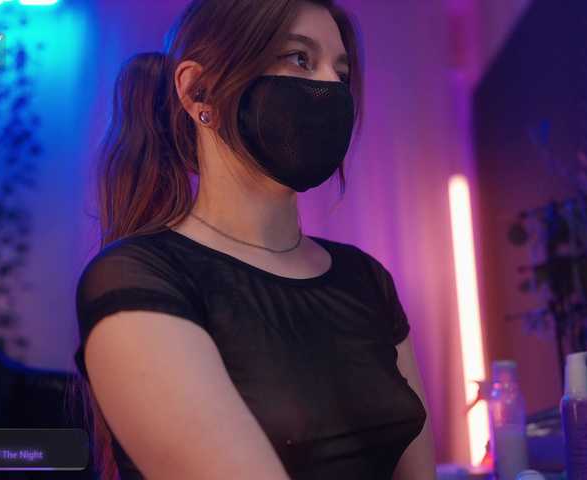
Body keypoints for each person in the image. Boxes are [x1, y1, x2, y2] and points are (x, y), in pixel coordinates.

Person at [71, 0, 436, 478]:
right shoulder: (139, 279)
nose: (330, 86)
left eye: (342, 73)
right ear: (198, 91)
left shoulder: (366, 279)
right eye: (300, 59)